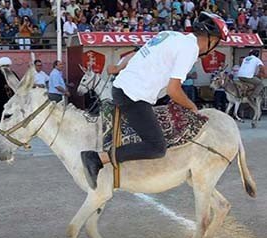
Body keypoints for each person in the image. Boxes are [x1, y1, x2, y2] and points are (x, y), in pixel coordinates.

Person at [80, 12, 229, 190]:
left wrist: (119, 67)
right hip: (133, 96)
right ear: (212, 40)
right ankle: (97, 158)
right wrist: (192, 107)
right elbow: (174, 90)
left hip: (123, 88)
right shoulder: (190, 50)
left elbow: (136, 55)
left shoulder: (169, 34)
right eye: (217, 43)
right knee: (157, 147)